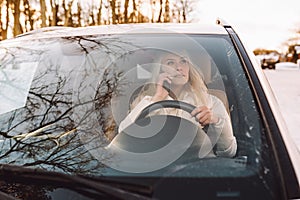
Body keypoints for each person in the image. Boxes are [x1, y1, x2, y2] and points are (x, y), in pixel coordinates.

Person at [118, 51, 237, 158]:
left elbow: (228, 152)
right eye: (170, 63)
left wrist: (215, 121)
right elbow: (123, 135)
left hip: (196, 169)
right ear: (160, 70)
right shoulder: (144, 101)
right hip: (152, 167)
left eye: (183, 61)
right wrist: (157, 98)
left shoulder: (210, 102)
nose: (179, 67)